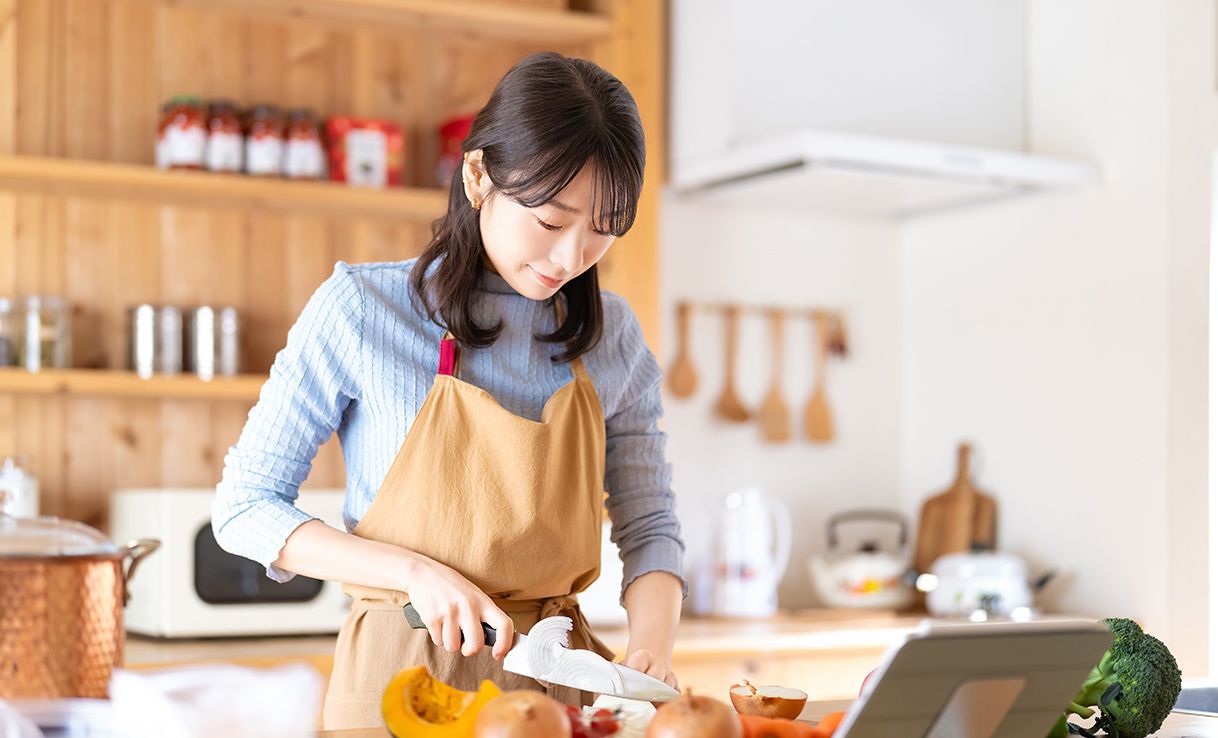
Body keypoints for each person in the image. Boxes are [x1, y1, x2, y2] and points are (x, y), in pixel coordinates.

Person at [211, 51, 686, 729]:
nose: (569, 258)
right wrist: (415, 573)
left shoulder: (614, 341)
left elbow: (652, 528)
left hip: (560, 693)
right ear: (477, 173)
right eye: (551, 221)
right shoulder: (362, 308)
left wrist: (650, 650)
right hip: (401, 683)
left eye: (604, 230)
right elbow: (243, 507)